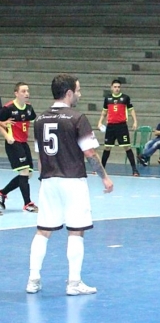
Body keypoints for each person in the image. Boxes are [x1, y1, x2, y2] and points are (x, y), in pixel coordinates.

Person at [26, 74, 114, 296]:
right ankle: (74, 283)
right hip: (73, 180)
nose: (80, 94)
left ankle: (33, 279)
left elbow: (40, 156)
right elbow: (90, 152)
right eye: (78, 90)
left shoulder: (39, 119)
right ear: (68, 93)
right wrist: (104, 176)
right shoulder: (76, 118)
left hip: (48, 181)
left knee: (42, 231)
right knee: (76, 231)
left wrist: (44, 178)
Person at [0, 82, 38, 213]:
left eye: (27, 91)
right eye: (23, 91)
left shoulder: (28, 108)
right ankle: (28, 204)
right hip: (13, 143)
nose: (27, 93)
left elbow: (34, 121)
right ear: (16, 93)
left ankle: (2, 192)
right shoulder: (8, 108)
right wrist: (6, 135)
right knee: (24, 172)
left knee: (29, 174)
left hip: (23, 143)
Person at [97, 79, 139, 176]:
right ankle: (101, 169)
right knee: (107, 147)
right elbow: (104, 112)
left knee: (127, 147)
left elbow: (131, 110)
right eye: (115, 87)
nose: (117, 89)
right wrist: (99, 122)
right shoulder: (107, 99)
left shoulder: (125, 98)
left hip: (122, 126)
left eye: (118, 87)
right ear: (111, 87)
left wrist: (135, 121)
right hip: (110, 126)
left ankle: (134, 170)